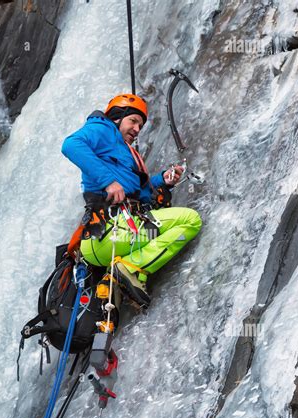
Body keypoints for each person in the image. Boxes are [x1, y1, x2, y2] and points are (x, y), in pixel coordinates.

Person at [62, 94, 202, 308]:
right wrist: (109, 181)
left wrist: (164, 179)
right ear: (117, 117)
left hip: (108, 241)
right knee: (191, 220)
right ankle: (132, 268)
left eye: (141, 125)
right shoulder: (103, 128)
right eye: (133, 121)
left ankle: (125, 273)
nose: (137, 129)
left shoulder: (127, 153)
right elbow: (71, 145)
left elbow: (142, 194)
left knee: (161, 228)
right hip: (112, 232)